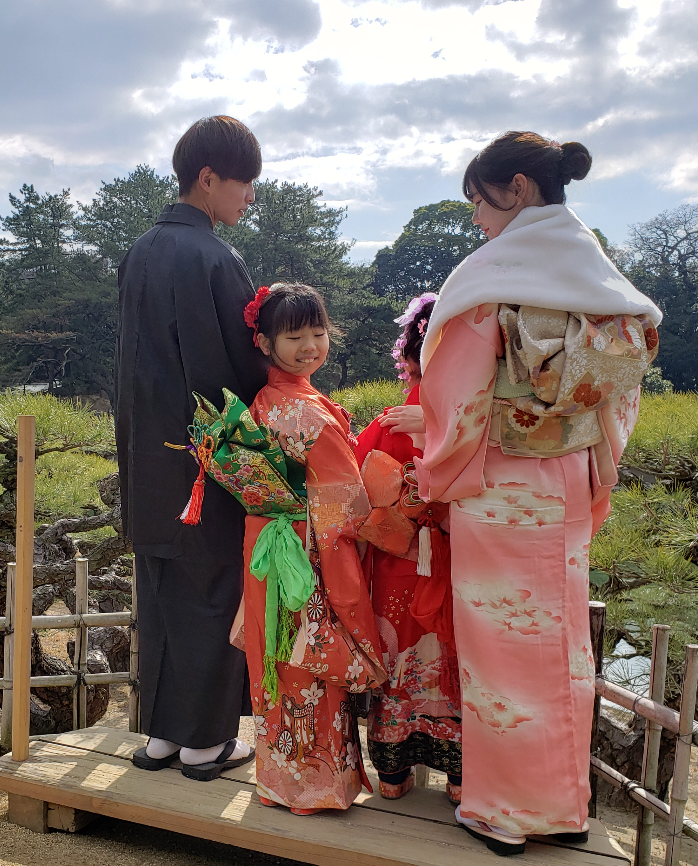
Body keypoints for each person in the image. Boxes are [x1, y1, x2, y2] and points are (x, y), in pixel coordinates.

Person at [410, 131, 661, 855]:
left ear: (516, 188)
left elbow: (455, 392)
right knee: (563, 645)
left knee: (502, 650)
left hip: (500, 481)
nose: (478, 222)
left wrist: (440, 469)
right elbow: (619, 392)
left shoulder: (495, 271)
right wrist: (593, 456)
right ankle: (565, 805)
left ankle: (507, 812)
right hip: (570, 480)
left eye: (480, 205)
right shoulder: (595, 267)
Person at [115, 116, 268, 780]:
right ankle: (205, 743)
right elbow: (238, 370)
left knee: (163, 592)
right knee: (213, 589)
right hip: (208, 460)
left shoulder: (140, 251)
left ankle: (161, 739)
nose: (250, 198)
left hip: (146, 453)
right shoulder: (215, 258)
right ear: (208, 178)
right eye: (245, 183)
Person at [240, 283, 387, 814]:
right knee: (307, 660)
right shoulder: (297, 408)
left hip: (276, 547)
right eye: (294, 336)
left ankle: (286, 779)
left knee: (286, 659)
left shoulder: (279, 399)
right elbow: (346, 501)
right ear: (265, 343)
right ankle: (314, 785)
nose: (310, 345)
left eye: (318, 333)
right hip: (304, 554)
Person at [354, 294, 462, 803]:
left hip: (397, 562)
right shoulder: (470, 424)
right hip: (457, 556)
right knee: (455, 660)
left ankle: (393, 774)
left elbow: (352, 491)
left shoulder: (388, 420)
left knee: (398, 661)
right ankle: (462, 776)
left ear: (410, 358)